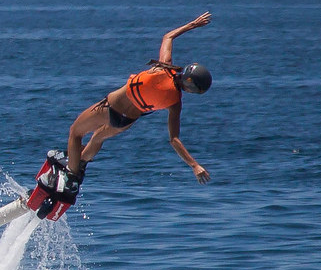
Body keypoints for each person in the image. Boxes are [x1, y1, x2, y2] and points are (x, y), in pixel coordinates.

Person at [65, 12, 214, 184]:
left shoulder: (164, 66)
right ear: (192, 89)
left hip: (109, 108)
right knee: (97, 138)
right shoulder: (176, 103)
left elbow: (168, 37)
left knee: (75, 133)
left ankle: (70, 177)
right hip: (124, 123)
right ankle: (79, 167)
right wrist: (194, 165)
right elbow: (174, 140)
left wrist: (192, 25)